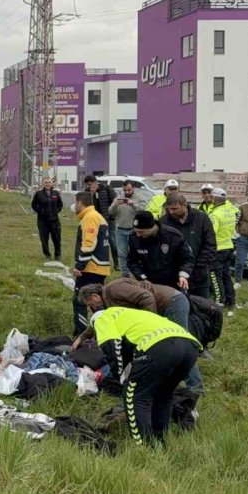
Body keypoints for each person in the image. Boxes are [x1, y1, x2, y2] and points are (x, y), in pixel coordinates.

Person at [72, 307, 201, 446]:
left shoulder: (103, 319)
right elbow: (127, 350)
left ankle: (145, 446)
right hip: (189, 346)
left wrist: (118, 375)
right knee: (164, 394)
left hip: (160, 345)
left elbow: (111, 347)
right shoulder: (129, 315)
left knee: (135, 396)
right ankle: (159, 440)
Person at [77, 279, 202, 393]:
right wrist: (81, 338)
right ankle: (168, 386)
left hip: (172, 303)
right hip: (163, 308)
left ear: (95, 296)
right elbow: (100, 321)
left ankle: (195, 388)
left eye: (90, 304)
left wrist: (151, 325)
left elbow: (147, 297)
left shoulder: (114, 289)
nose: (91, 307)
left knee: (180, 344)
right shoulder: (107, 302)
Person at [162, 194, 216, 299]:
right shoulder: (164, 222)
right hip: (174, 275)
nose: (171, 212)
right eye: (169, 209)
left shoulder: (201, 219)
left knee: (201, 307)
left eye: (175, 209)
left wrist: (199, 267)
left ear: (184, 205)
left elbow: (210, 245)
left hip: (199, 274)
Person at [71, 191, 111, 335]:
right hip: (99, 267)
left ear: (81, 203)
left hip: (91, 268)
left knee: (80, 301)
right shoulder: (97, 216)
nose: (75, 206)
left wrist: (79, 266)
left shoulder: (90, 217)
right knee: (97, 303)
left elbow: (89, 244)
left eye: (76, 203)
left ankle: (80, 334)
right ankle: (103, 332)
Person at [127, 211, 194, 290]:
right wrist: (142, 278)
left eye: (141, 232)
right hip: (149, 283)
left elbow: (188, 259)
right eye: (136, 231)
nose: (138, 235)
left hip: (172, 283)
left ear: (151, 227)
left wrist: (183, 275)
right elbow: (131, 261)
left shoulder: (173, 236)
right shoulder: (134, 238)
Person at [206, 188, 239, 309]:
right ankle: (231, 300)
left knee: (215, 276)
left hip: (218, 249)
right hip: (229, 246)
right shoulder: (230, 211)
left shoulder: (215, 214)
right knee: (226, 275)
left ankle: (219, 301)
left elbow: (211, 233)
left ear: (214, 198)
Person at [84, 175, 118, 271]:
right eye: (87, 185)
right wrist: (91, 194)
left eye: (90, 184)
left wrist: (111, 214)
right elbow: (86, 205)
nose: (89, 186)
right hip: (95, 221)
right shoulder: (87, 191)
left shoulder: (106, 188)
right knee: (96, 242)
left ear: (95, 182)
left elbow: (115, 201)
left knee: (112, 241)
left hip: (108, 220)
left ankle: (116, 263)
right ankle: (98, 261)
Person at [110, 180, 142, 277]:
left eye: (129, 190)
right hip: (120, 230)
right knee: (122, 254)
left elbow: (144, 212)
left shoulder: (139, 198)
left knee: (136, 253)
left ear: (133, 188)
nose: (127, 192)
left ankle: (138, 273)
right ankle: (126, 274)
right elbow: (111, 212)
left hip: (135, 231)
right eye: (125, 190)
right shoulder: (118, 199)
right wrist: (115, 205)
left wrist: (133, 204)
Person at [31, 176, 63, 261]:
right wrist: (40, 211)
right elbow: (33, 205)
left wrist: (56, 211)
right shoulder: (39, 194)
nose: (47, 184)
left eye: (49, 182)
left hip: (54, 220)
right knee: (44, 239)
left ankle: (58, 255)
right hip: (43, 221)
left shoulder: (56, 193)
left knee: (57, 238)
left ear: (52, 183)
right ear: (43, 184)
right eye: (46, 183)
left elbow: (60, 205)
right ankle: (47, 255)